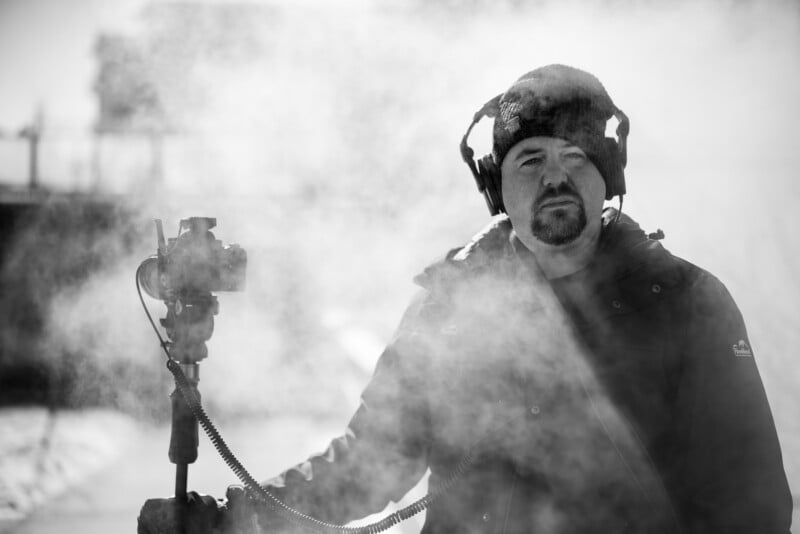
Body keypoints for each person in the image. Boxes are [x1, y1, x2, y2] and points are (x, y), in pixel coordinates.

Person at [139, 64, 792, 534]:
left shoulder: (684, 303)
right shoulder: (450, 309)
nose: (556, 175)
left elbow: (752, 507)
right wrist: (225, 522)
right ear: (495, 189)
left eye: (576, 156)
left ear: (610, 175)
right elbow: (367, 466)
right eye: (530, 160)